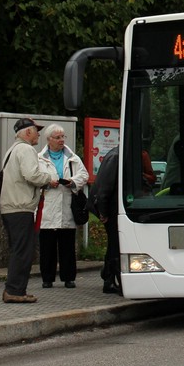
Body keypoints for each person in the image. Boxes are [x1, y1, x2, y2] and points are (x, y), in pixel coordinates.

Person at [0, 118, 54, 303]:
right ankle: (14, 291)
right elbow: (32, 174)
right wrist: (48, 178)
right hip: (20, 207)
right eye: (36, 130)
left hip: (11, 206)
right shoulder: (26, 149)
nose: (39, 134)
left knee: (18, 249)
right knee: (23, 251)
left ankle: (15, 289)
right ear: (27, 132)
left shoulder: (12, 150)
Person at [37, 124, 89, 289]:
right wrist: (47, 182)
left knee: (67, 245)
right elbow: (33, 178)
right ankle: (47, 278)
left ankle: (68, 277)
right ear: (49, 139)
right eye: (57, 137)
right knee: (47, 246)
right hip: (48, 206)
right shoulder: (39, 158)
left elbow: (84, 175)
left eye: (63, 137)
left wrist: (73, 182)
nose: (61, 140)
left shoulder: (72, 158)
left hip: (67, 205)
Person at [92, 146, 122, 294]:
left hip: (111, 206)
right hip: (108, 206)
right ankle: (111, 278)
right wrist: (103, 212)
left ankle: (109, 277)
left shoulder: (117, 155)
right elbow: (105, 188)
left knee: (114, 243)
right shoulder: (115, 157)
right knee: (115, 243)